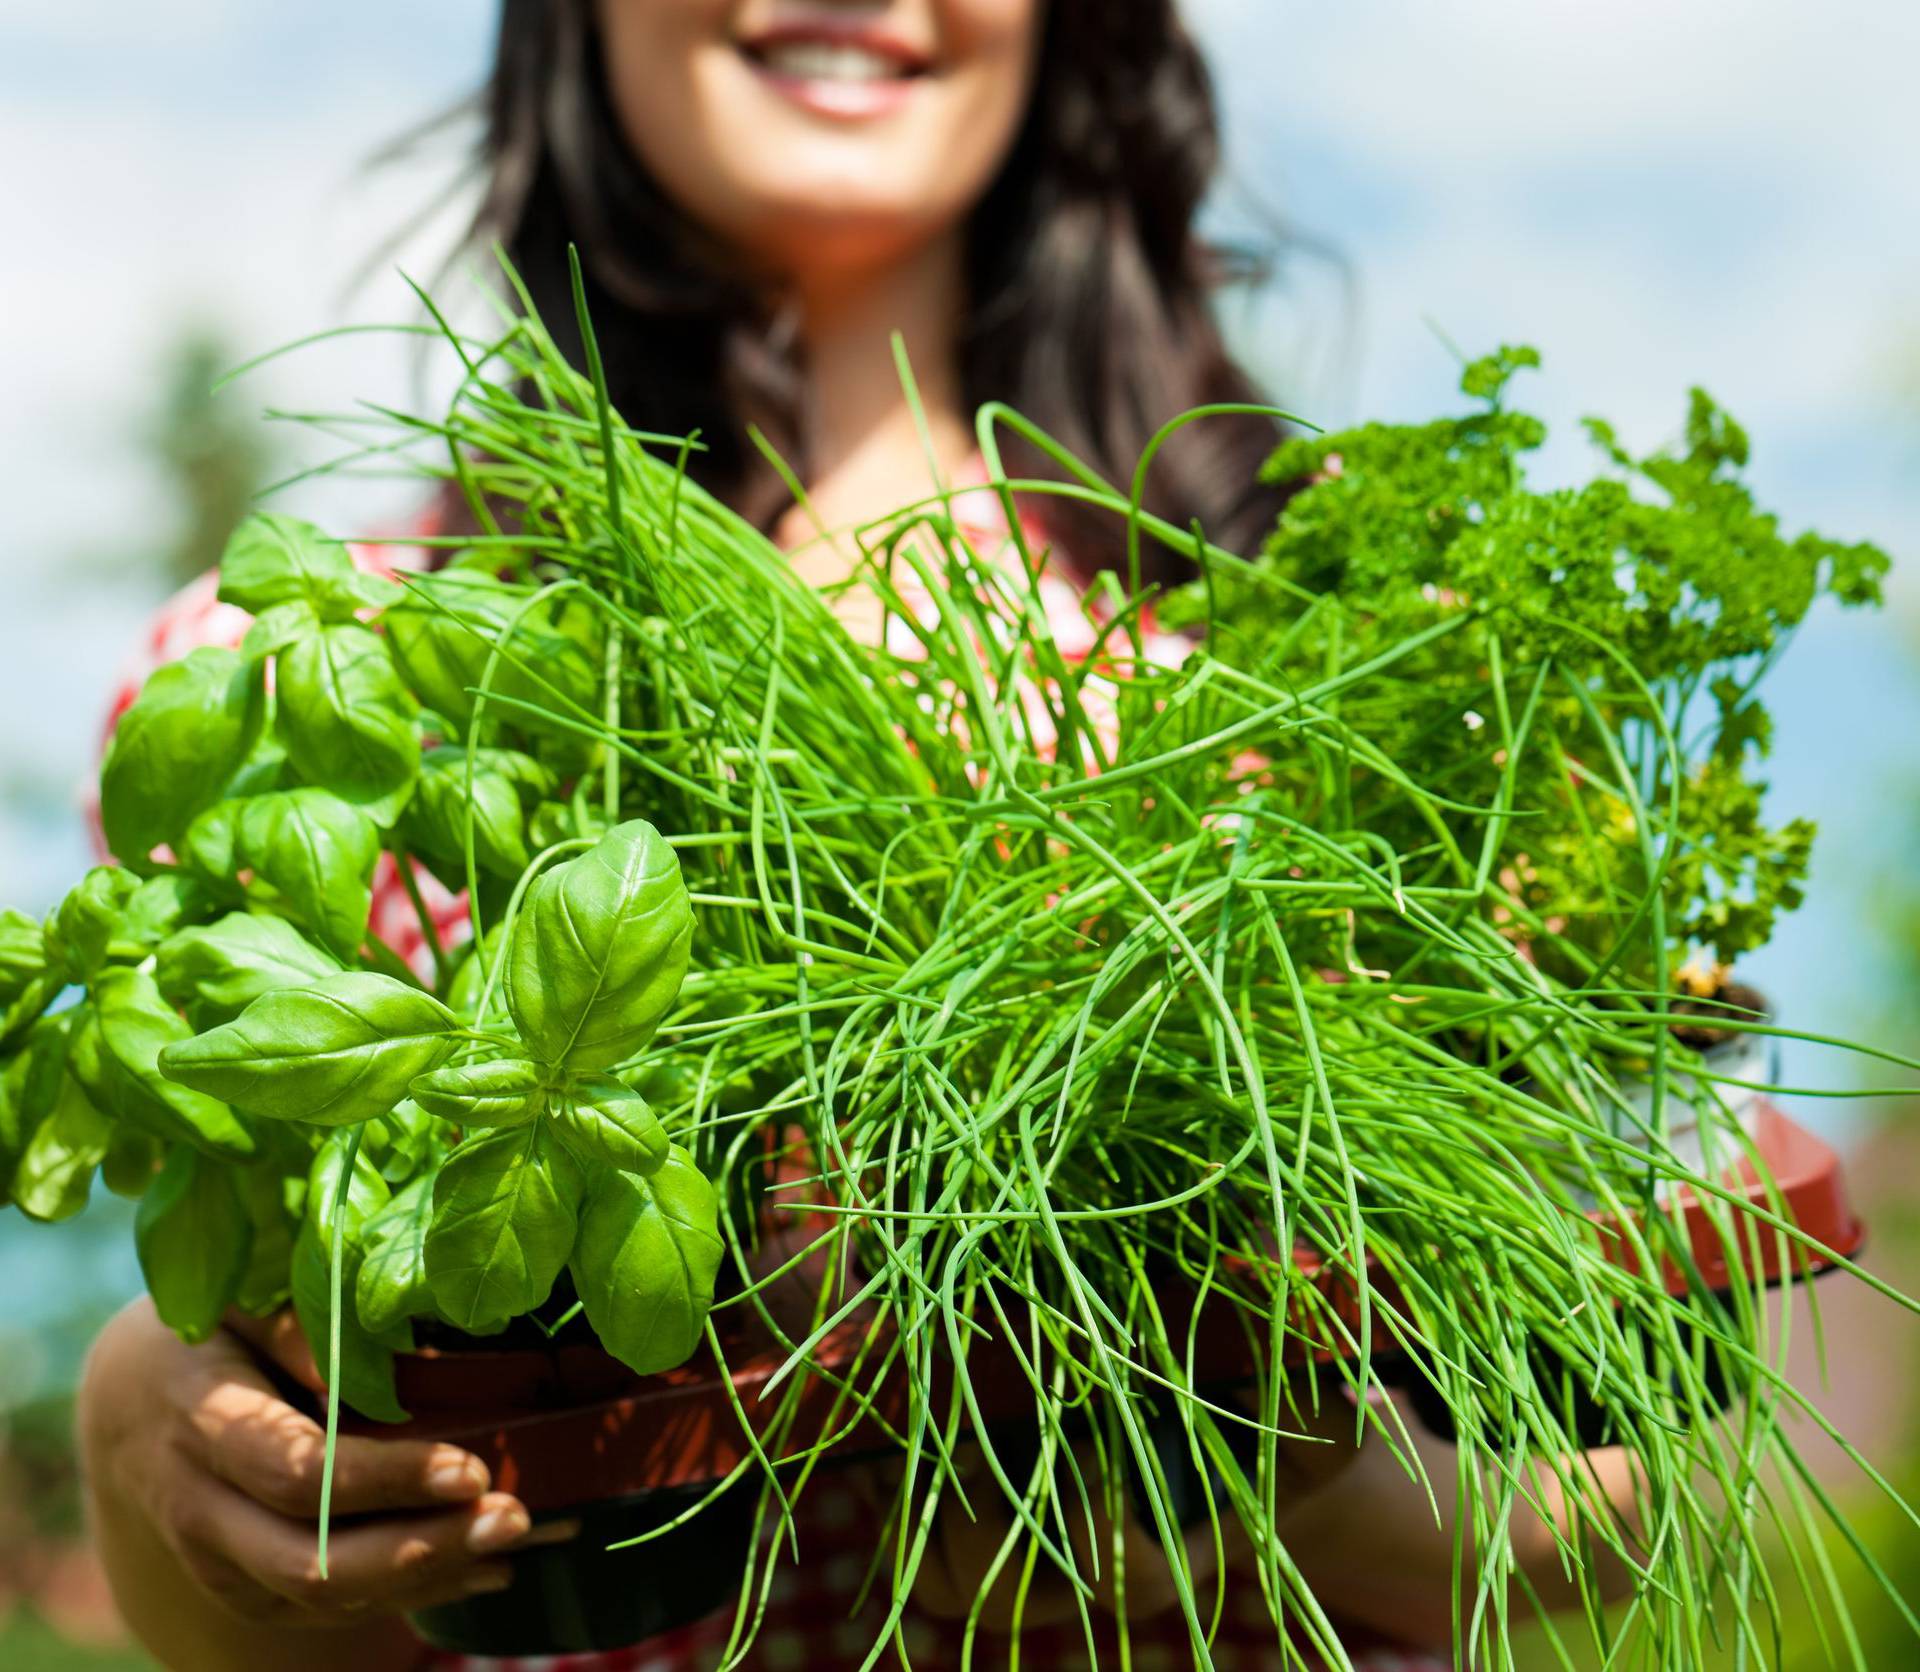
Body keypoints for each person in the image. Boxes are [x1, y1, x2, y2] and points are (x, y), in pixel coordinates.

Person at [76, 3, 1641, 1667]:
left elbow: (1628, 1455)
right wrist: (132, 1423)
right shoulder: (320, 694)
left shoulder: (1362, 664)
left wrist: (1300, 1503)